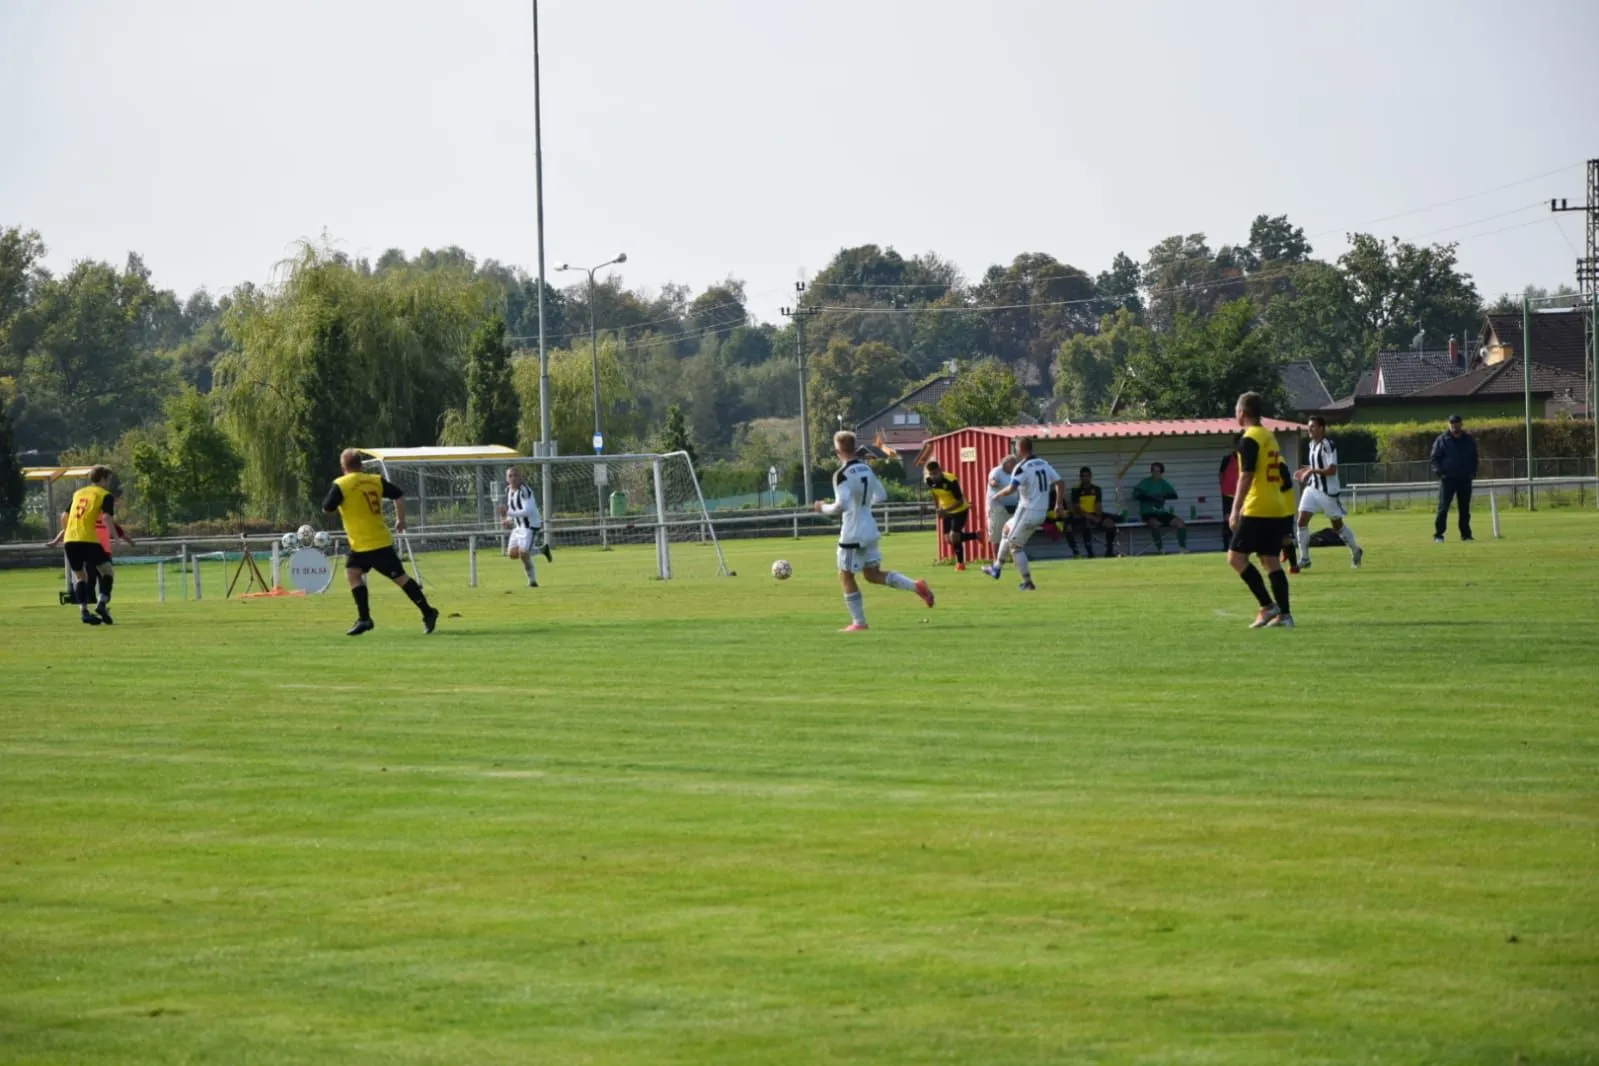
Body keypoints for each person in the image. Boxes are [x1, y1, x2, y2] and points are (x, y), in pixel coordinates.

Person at [813, 431, 934, 631]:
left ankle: (859, 622)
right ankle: (917, 586)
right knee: (872, 574)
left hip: (852, 532)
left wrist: (821, 508)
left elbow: (840, 505)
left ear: (837, 451)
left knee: (845, 575)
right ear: (855, 448)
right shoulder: (866, 469)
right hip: (869, 527)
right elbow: (882, 495)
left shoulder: (841, 474)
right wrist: (864, 506)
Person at [322, 448, 439, 636]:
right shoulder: (375, 480)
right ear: (361, 464)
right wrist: (400, 520)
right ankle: (365, 619)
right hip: (373, 540)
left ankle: (428, 612)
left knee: (398, 578)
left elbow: (327, 508)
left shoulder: (341, 484)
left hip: (369, 542)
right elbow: (398, 495)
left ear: (343, 466)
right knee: (353, 573)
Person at [1227, 392, 1296, 628]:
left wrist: (1235, 509)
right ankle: (1285, 615)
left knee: (1236, 558)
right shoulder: (1269, 436)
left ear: (1242, 413)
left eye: (1236, 411)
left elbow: (1246, 475)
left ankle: (1267, 605)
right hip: (1276, 507)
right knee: (1270, 560)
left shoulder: (1249, 438)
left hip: (1257, 506)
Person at [983, 437, 1061, 591]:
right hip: (1040, 511)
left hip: (1027, 511)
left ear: (1020, 449)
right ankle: (996, 568)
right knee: (1006, 529)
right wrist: (1058, 504)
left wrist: (998, 495)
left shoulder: (1022, 467)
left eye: (1016, 448)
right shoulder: (1043, 463)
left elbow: (1012, 488)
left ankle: (1027, 582)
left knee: (1015, 547)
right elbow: (1060, 482)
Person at [50, 465, 119, 626]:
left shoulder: (78, 493)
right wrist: (116, 537)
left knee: (81, 577)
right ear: (103, 479)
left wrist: (66, 532)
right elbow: (106, 518)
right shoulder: (105, 495)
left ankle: (84, 612)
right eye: (108, 479)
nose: (108, 482)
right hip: (88, 539)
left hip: (70, 540)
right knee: (107, 571)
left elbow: (64, 516)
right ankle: (102, 604)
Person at [1294, 415, 1362, 569]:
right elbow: (1316, 465)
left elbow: (1331, 470)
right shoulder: (1312, 444)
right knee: (1301, 521)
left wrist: (1311, 470)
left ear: (1321, 428)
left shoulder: (1327, 445)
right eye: (1309, 426)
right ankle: (1305, 558)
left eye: (1313, 426)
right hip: (1313, 488)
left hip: (1327, 492)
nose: (1309, 429)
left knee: (1337, 526)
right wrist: (1305, 470)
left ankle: (1356, 550)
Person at [499, 466, 551, 587]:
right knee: (512, 554)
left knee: (523, 553)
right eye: (510, 476)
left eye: (515, 475)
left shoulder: (525, 491)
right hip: (518, 527)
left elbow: (528, 511)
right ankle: (542, 550)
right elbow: (514, 508)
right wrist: (508, 520)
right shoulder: (508, 491)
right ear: (507, 478)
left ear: (520, 477)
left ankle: (532, 581)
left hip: (530, 526)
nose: (513, 478)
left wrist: (509, 513)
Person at [924, 460, 980, 571]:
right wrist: (938, 508)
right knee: (948, 539)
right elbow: (934, 493)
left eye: (935, 473)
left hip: (960, 509)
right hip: (946, 510)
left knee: (954, 536)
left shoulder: (951, 480)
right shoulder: (928, 480)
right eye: (931, 474)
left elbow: (960, 501)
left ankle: (960, 564)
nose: (933, 476)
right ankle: (976, 536)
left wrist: (945, 510)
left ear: (940, 470)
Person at [1431, 413, 1479, 543]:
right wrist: (1440, 473)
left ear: (1461, 424)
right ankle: (1438, 535)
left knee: (1464, 509)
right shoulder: (1442, 439)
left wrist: (1473, 472)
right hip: (1448, 479)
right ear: (1448, 424)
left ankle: (1466, 535)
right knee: (1443, 508)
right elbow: (1435, 458)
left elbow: (1474, 457)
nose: (1454, 425)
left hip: (1465, 479)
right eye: (1452, 423)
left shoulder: (1468, 440)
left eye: (1456, 423)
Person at [1133, 462, 1188, 553]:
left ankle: (1183, 548)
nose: (1155, 474)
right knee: (1155, 524)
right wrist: (1151, 498)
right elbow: (1136, 495)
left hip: (1160, 512)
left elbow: (1174, 495)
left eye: (1158, 471)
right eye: (1153, 471)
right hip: (1148, 512)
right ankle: (1161, 549)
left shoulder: (1163, 483)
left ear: (1162, 473)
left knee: (1180, 523)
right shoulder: (1145, 482)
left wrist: (1163, 496)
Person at [1067, 466, 1118, 558]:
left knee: (1110, 524)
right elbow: (1077, 508)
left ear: (1090, 476)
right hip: (1081, 516)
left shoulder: (1097, 489)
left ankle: (1109, 552)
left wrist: (1099, 517)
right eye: (1083, 476)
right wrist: (1091, 517)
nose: (1085, 478)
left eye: (1087, 476)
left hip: (1094, 514)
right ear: (1080, 477)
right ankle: (1090, 553)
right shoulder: (1075, 490)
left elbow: (1098, 505)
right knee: (1084, 524)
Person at [985, 455, 1018, 552]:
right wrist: (994, 483)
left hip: (1012, 507)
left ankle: (1012, 556)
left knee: (1012, 534)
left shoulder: (1014, 473)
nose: (1014, 466)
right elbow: (992, 480)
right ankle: (996, 559)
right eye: (1013, 464)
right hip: (997, 508)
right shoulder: (997, 471)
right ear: (1006, 463)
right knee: (996, 535)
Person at [1219, 436, 1240, 549]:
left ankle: (1241, 545)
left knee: (1243, 519)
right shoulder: (1227, 459)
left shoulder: (1248, 459)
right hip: (1228, 495)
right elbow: (1221, 475)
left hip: (1243, 495)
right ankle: (1226, 546)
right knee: (1227, 519)